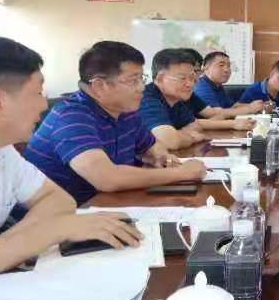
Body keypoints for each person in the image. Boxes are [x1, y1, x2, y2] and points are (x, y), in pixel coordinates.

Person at [0, 37, 143, 295]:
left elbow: (58, 200)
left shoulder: (1, 151)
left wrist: (6, 249)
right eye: (38, 93)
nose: (44, 104)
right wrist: (47, 233)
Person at [25, 42, 207, 205]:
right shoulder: (71, 117)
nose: (141, 87)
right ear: (99, 86)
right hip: (59, 219)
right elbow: (106, 178)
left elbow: (153, 147)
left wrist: (162, 157)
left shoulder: (126, 110)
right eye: (133, 80)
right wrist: (181, 173)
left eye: (141, 79)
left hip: (106, 206)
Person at [140, 49, 254, 150]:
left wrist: (179, 134)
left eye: (192, 78)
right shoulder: (146, 98)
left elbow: (195, 126)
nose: (190, 84)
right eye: (182, 78)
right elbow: (170, 141)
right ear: (160, 78)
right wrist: (191, 137)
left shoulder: (176, 100)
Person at [194, 51, 266, 115]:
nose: (226, 70)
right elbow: (216, 114)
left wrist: (260, 106)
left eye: (228, 66)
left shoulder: (218, 86)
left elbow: (231, 107)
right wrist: (250, 109)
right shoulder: (201, 87)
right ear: (206, 68)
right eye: (221, 65)